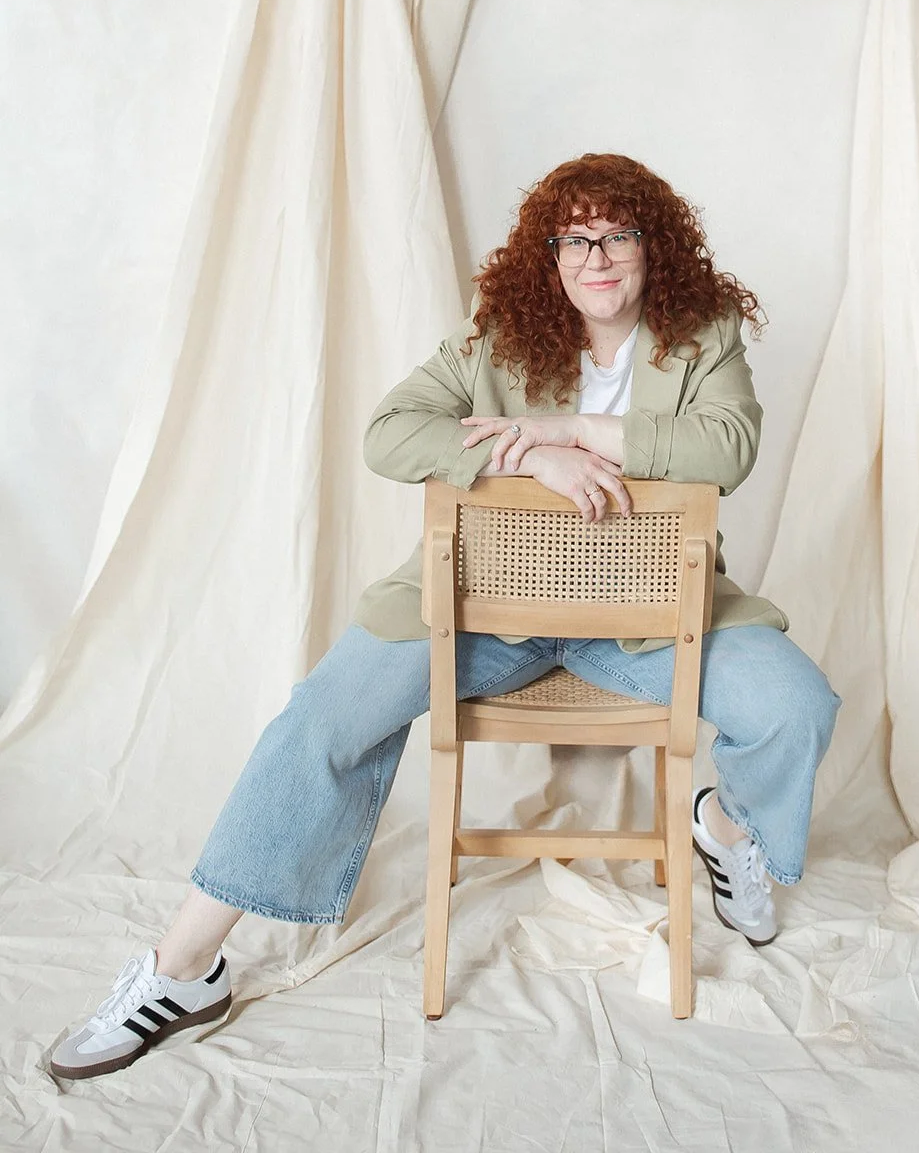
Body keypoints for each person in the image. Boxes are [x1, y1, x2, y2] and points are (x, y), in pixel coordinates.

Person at [49, 152, 840, 1079]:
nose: (594, 257)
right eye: (573, 239)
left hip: (649, 616)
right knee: (322, 720)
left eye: (616, 235)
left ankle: (726, 831)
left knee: (794, 704)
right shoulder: (503, 334)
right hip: (481, 613)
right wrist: (524, 459)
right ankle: (183, 969)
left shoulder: (704, 334)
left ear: (650, 245)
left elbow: (726, 449)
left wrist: (573, 430)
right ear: (550, 255)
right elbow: (392, 432)